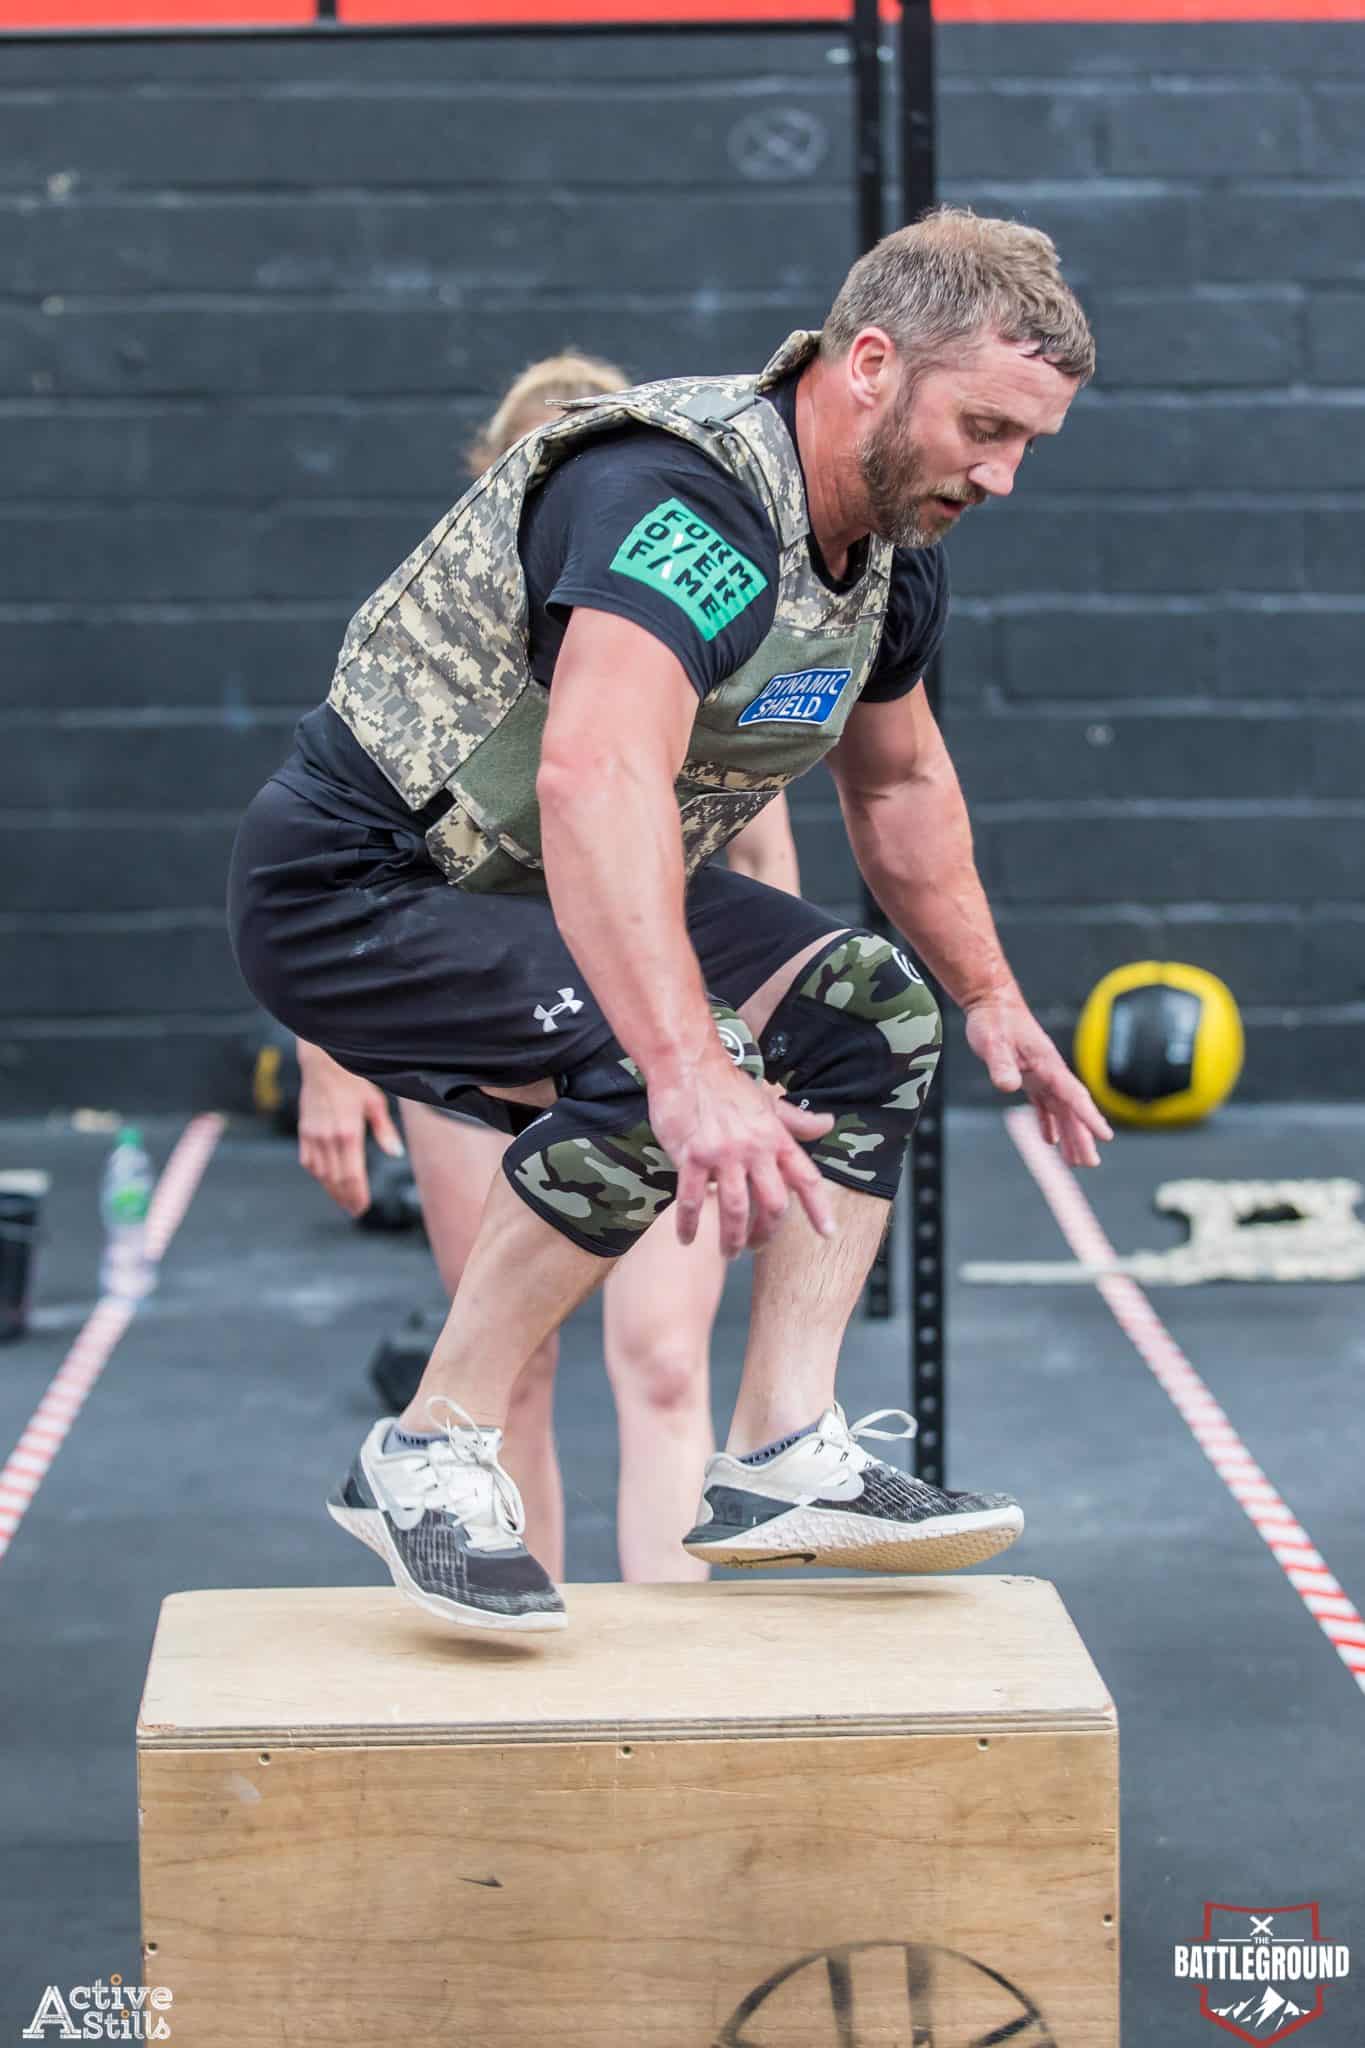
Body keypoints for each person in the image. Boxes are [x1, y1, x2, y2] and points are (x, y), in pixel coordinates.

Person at [229, 207, 1114, 1637]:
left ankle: (778, 1455)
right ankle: (429, 1447)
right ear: (872, 363)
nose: (1002, 475)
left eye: (1030, 445)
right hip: (364, 884)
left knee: (870, 1010)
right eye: (986, 427)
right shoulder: (682, 500)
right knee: (658, 1060)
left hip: (531, 881)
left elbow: (899, 788)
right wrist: (693, 1068)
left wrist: (993, 994)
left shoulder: (887, 551)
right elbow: (595, 771)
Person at [293, 351, 805, 1586]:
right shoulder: (438, 658)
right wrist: (326, 1063)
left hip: (657, 1028)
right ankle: (514, 1645)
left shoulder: (698, 639)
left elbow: (772, 863)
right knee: (507, 1362)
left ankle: (669, 1687)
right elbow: (349, 853)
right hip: (482, 1021)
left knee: (667, 1359)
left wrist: (769, 1056)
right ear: (503, 494)